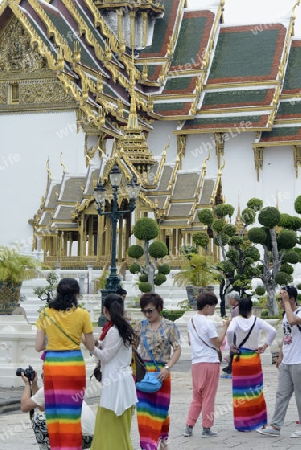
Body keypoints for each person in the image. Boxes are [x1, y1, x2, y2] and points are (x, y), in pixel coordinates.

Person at [35, 277, 95, 450]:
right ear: (76, 294)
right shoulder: (82, 314)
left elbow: (39, 346)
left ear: (58, 293)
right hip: (73, 365)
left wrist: (54, 342)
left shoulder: (45, 313)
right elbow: (90, 345)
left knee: (53, 412)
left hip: (52, 364)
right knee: (71, 413)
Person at [91, 293, 138, 450]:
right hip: (122, 381)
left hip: (115, 383)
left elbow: (105, 356)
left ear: (105, 310)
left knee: (108, 425)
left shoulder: (113, 330)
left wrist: (90, 347)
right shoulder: (123, 327)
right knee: (120, 427)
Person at [135, 292, 181, 450]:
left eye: (150, 310)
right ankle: (148, 445)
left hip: (162, 373)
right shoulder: (140, 325)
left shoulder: (169, 326)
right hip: (143, 373)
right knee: (143, 412)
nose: (147, 314)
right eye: (144, 311)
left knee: (160, 411)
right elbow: (132, 347)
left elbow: (177, 349)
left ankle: (162, 439)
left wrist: (168, 367)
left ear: (159, 308)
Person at [183, 291, 230, 439]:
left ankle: (189, 426)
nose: (214, 309)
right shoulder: (208, 322)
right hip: (210, 362)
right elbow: (217, 343)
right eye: (213, 306)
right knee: (208, 396)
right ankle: (206, 427)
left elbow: (191, 340)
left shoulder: (191, 321)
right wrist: (225, 328)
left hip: (196, 362)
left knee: (197, 396)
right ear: (207, 306)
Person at [257, 285, 301, 438]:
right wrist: (281, 357)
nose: (281, 303)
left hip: (299, 361)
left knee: (300, 396)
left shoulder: (299, 312)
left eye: (282, 300)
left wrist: (287, 302)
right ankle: (275, 426)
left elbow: (292, 321)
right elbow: (286, 337)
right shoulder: (285, 314)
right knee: (282, 394)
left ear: (292, 299)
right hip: (287, 361)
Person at [227, 297, 276, 432]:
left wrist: (231, 345)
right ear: (251, 308)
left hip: (240, 359)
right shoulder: (257, 321)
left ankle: (242, 423)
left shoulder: (236, 320)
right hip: (253, 359)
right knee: (256, 391)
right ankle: (262, 422)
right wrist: (266, 345)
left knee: (240, 393)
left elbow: (230, 331)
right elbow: (273, 331)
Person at [20, 371, 95, 449]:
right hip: (90, 438)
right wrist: (34, 384)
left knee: (37, 419)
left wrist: (27, 384)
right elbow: (42, 406)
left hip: (77, 438)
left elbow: (24, 406)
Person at [222, 291, 240, 374]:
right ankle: (231, 366)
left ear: (234, 299)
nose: (229, 301)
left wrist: (228, 322)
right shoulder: (235, 308)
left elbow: (236, 320)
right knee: (232, 348)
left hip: (236, 331)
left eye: (230, 299)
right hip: (234, 331)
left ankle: (232, 366)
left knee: (233, 348)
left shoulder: (237, 309)